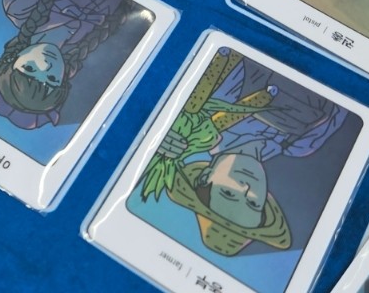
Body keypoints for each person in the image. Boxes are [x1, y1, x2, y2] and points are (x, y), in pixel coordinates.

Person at [140, 47, 346, 256]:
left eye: (229, 193)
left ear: (205, 177)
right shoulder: (303, 144)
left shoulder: (211, 102)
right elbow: (345, 99)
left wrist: (159, 125)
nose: (247, 190)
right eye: (254, 203)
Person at [0, 0, 133, 129]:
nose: (46, 65)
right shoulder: (101, 44)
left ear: (11, 59)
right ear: (64, 78)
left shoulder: (19, 5)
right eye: (52, 78)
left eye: (30, 68)